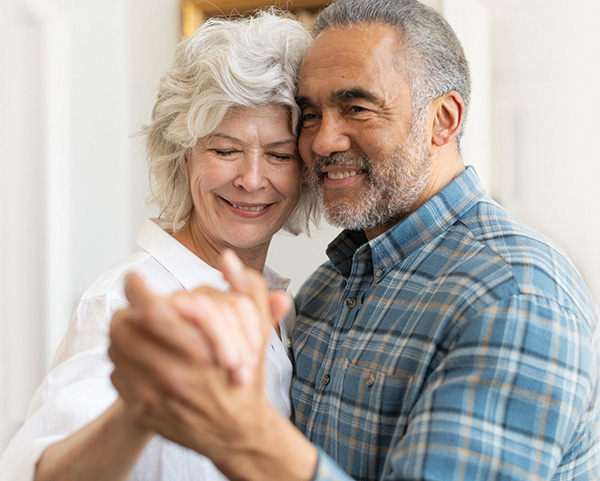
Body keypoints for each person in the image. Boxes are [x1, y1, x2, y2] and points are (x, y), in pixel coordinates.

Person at [108, 0, 600, 480]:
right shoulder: (322, 293)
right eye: (311, 114)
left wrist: (243, 436)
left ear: (444, 120)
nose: (322, 141)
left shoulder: (515, 294)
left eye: (357, 107)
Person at [0, 10, 318, 481]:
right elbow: (41, 472)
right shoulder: (124, 305)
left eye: (278, 155)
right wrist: (141, 407)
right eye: (225, 150)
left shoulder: (284, 311)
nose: (253, 179)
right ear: (182, 155)